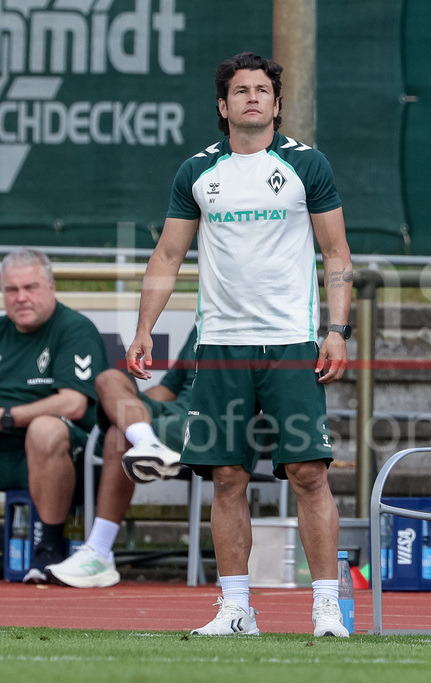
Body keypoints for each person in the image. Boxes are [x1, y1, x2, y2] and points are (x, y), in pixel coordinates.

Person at [126, 52, 354, 638]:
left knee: (308, 473)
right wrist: (145, 327)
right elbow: (168, 256)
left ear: (277, 105)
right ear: (223, 106)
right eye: (240, 91)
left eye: (262, 90)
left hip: (292, 342)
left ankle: (326, 607)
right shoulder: (196, 173)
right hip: (222, 345)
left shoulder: (309, 165)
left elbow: (337, 255)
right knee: (226, 477)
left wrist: (337, 329)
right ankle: (235, 610)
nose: (252, 98)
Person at [46, 327, 198, 588]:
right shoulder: (203, 321)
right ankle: (146, 441)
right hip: (172, 413)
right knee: (109, 379)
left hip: (209, 422)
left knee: (119, 433)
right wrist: (127, 405)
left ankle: (99, 550)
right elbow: (168, 389)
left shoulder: (266, 324)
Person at [0, 248, 108, 582]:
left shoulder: (74, 329)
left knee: (44, 429)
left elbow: (73, 403)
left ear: (51, 287)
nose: (21, 298)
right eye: (11, 290)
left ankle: (48, 548)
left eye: (30, 287)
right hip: (7, 448)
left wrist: (7, 416)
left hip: (67, 453)